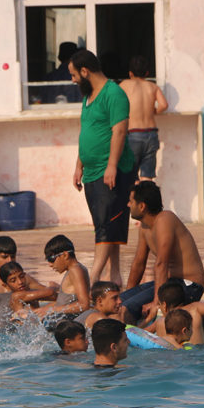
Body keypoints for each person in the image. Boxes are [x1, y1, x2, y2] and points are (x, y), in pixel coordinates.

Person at [70, 49, 137, 284]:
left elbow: (119, 130)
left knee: (107, 225)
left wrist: (112, 166)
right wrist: (79, 165)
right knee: (105, 224)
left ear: (85, 71)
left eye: (74, 75)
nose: (73, 80)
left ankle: (95, 276)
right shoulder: (88, 97)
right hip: (92, 171)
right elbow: (86, 132)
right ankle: (115, 276)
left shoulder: (114, 93)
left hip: (113, 170)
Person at [122, 180, 204, 323]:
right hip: (170, 283)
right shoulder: (145, 226)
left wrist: (157, 302)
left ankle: (130, 342)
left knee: (126, 309)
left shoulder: (165, 219)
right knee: (120, 303)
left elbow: (161, 263)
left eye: (131, 202)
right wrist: (129, 294)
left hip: (189, 286)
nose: (128, 205)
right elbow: (138, 263)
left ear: (142, 206)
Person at [119, 56, 168, 182]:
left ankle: (135, 201)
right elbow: (164, 105)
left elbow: (114, 104)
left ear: (130, 73)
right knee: (147, 175)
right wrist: (153, 111)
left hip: (133, 134)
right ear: (147, 73)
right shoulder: (152, 86)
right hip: (151, 133)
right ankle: (147, 201)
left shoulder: (124, 85)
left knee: (132, 176)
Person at [35, 234, 90, 319]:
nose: (50, 264)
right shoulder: (75, 269)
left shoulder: (76, 270)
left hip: (64, 325)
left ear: (65, 255)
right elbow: (66, 302)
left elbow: (84, 304)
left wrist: (53, 309)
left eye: (51, 259)